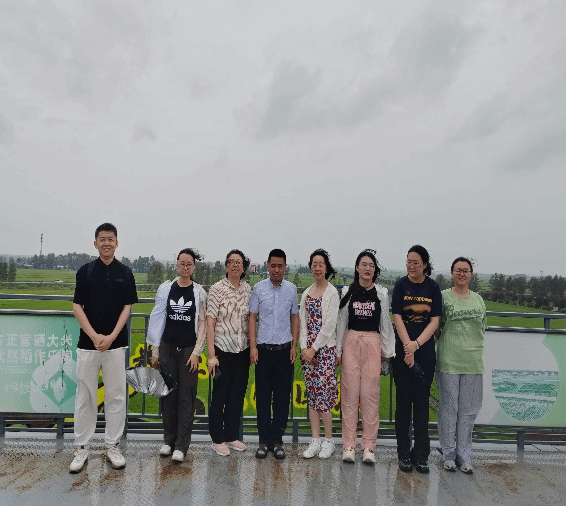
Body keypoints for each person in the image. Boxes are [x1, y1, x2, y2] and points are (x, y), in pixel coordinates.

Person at [69, 223, 138, 473]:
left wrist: (110, 338)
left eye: (110, 239)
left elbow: (127, 308)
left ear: (117, 243)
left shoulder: (125, 273)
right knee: (85, 396)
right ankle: (82, 448)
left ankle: (112, 445)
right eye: (102, 239)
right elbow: (77, 307)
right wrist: (95, 336)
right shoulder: (85, 271)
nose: (106, 243)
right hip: (88, 345)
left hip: (116, 345)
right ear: (95, 243)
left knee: (116, 395)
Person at [147, 248, 207, 463]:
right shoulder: (166, 288)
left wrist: (197, 352)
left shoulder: (199, 292)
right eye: (182, 263)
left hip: (189, 350)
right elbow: (157, 319)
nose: (185, 267)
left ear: (194, 267)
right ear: (177, 265)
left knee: (186, 398)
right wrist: (155, 350)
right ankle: (168, 440)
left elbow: (202, 324)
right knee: (168, 395)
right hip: (167, 348)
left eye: (189, 264)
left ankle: (181, 445)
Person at [336, 249, 395, 464]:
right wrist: (338, 350)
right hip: (351, 342)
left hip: (373, 344)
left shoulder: (381, 293)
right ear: (357, 268)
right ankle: (349, 446)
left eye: (371, 265)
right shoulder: (347, 291)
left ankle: (369, 446)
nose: (367, 268)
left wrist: (387, 352)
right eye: (364, 264)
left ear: (375, 269)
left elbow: (385, 323)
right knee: (350, 396)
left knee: (370, 397)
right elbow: (342, 322)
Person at [392, 245, 442, 474]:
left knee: (422, 405)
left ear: (425, 264)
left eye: (415, 262)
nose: (411, 266)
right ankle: (403, 454)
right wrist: (407, 347)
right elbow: (397, 316)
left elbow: (435, 320)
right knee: (403, 405)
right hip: (403, 353)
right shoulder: (400, 285)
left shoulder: (433, 287)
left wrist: (416, 345)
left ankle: (421, 456)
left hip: (425, 354)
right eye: (408, 262)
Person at [436, 257, 487, 474]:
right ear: (452, 273)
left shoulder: (478, 299)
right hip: (449, 360)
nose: (462, 274)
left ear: (471, 275)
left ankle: (464, 455)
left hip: (473, 361)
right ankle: (448, 454)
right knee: (449, 410)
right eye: (458, 270)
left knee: (468, 411)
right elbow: (437, 327)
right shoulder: (443, 297)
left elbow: (483, 326)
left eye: (466, 270)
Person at [249, 249, 299, 460]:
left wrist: (294, 345)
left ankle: (277, 441)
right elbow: (252, 318)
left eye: (280, 266)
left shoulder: (291, 289)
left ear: (285, 267)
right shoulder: (258, 289)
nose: (276, 270)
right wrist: (253, 347)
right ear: (267, 266)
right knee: (262, 397)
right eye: (273, 266)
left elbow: (294, 318)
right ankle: (263, 442)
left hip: (284, 351)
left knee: (281, 398)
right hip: (263, 352)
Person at [206, 249, 252, 457]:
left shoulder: (247, 289)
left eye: (239, 262)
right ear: (226, 266)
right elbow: (210, 323)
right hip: (222, 350)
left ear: (243, 267)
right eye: (231, 261)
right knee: (220, 395)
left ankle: (231, 435)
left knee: (237, 394)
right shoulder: (216, 289)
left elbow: (251, 319)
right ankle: (217, 439)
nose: (235, 265)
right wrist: (211, 356)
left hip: (242, 350)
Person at [299, 249, 340, 459]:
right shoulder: (307, 293)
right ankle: (315, 440)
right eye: (314, 264)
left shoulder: (332, 293)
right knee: (313, 396)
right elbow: (303, 324)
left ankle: (329, 441)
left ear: (326, 268)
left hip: (324, 351)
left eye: (320, 264)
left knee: (324, 395)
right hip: (308, 353)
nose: (317, 268)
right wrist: (304, 349)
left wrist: (314, 348)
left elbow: (329, 325)